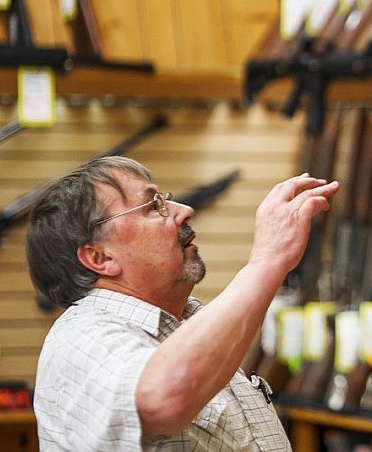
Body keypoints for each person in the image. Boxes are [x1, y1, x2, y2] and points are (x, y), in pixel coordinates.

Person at [27, 155, 339, 451]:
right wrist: (267, 262)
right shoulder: (80, 337)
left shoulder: (184, 325)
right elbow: (163, 399)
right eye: (153, 205)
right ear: (100, 257)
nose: (184, 210)